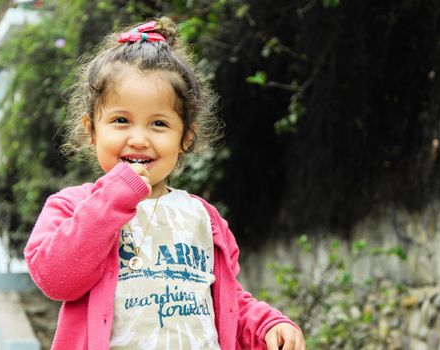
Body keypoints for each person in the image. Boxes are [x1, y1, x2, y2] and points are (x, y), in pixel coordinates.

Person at [24, 17, 305, 350]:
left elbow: (226, 302)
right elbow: (56, 278)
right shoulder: (73, 206)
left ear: (185, 137)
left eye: (158, 123)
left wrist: (265, 326)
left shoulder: (205, 218)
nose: (139, 139)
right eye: (120, 121)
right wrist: (115, 195)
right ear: (91, 130)